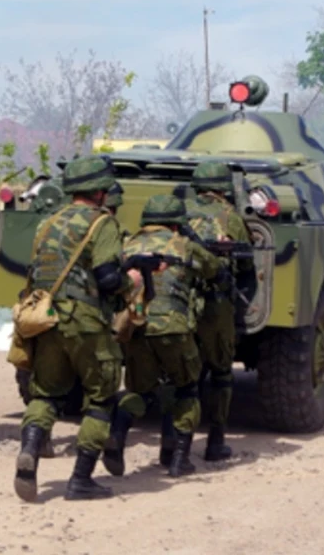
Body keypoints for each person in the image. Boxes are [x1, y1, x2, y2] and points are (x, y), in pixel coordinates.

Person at [13, 155, 142, 503]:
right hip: (85, 321)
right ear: (100, 191)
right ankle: (81, 479)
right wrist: (131, 281)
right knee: (100, 398)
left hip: (47, 319)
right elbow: (107, 277)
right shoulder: (102, 224)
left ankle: (29, 452)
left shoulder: (48, 221)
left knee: (46, 395)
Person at [103, 194, 221, 478]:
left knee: (139, 392)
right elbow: (214, 270)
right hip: (174, 329)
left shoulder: (127, 244)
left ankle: (117, 436)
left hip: (136, 327)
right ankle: (180, 459)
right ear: (177, 224)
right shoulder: (185, 246)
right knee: (187, 389)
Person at [186, 161, 257, 462]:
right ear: (224, 188)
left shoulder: (182, 214)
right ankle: (215, 442)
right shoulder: (231, 217)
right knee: (220, 374)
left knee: (183, 377)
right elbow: (245, 265)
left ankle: (175, 446)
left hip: (182, 304)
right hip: (216, 307)